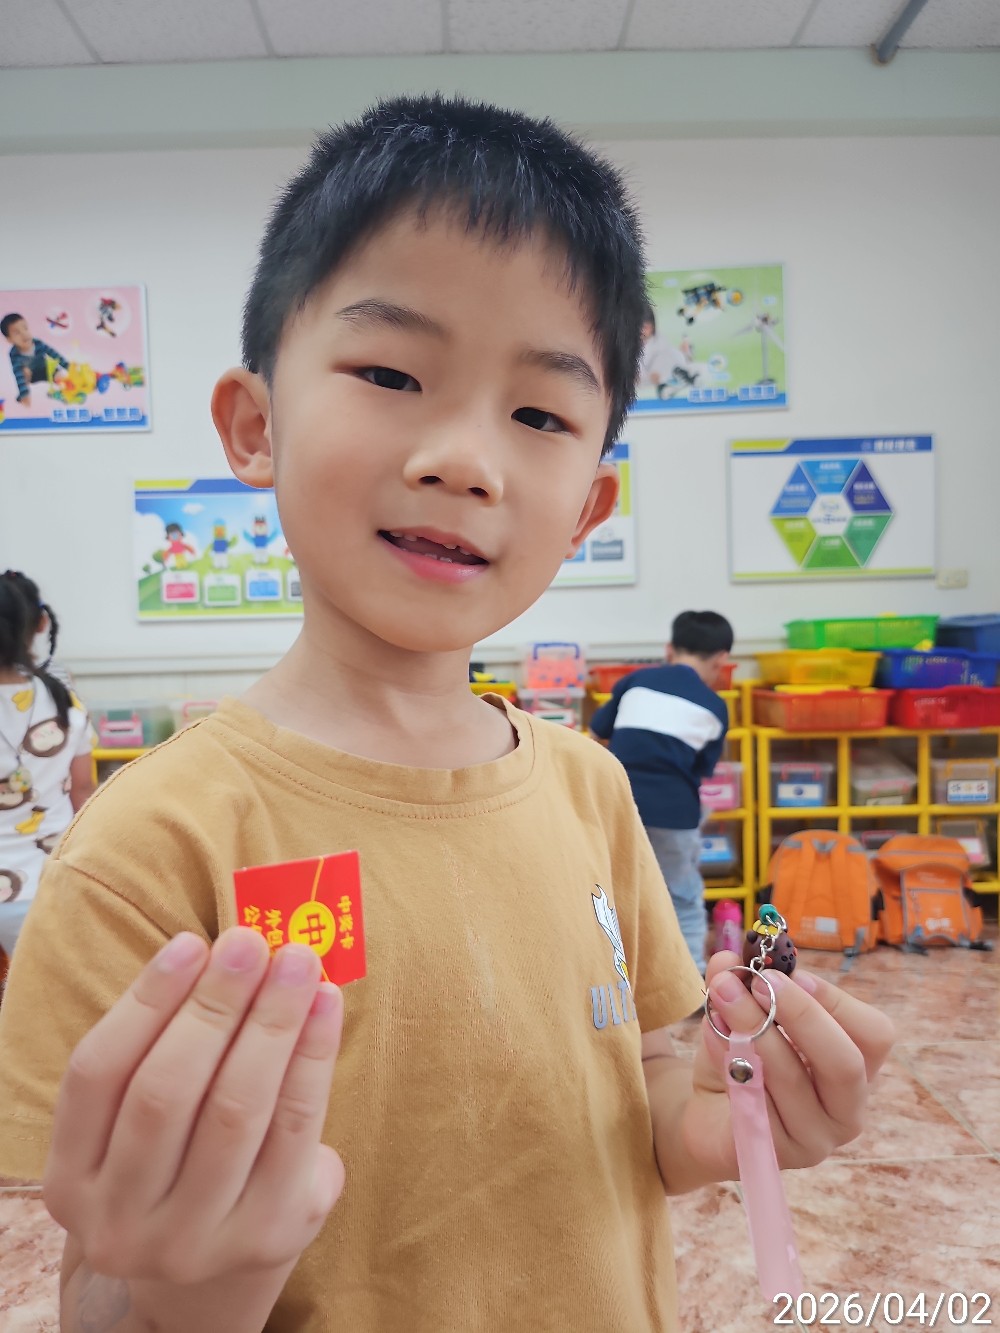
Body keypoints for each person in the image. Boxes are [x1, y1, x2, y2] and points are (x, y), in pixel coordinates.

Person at [0, 96, 894, 1333]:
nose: (465, 459)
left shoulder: (588, 788)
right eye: (390, 373)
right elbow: (102, 1282)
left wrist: (727, 1115)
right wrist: (187, 1284)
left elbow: (642, 1094)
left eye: (540, 414)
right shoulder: (151, 846)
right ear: (256, 425)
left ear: (585, 510)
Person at [590, 611, 733, 976]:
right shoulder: (714, 706)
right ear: (721, 659)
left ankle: (613, 972)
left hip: (618, 806)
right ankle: (691, 977)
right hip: (674, 813)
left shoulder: (636, 681)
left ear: (669, 649)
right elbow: (701, 771)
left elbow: (598, 732)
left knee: (613, 892)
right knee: (682, 894)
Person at [0, 571, 94, 958]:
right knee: (36, 992)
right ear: (40, 624)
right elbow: (83, 792)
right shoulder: (63, 702)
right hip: (46, 883)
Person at [1, 312, 69, 406]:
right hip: (31, 375)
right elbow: (18, 374)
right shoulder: (14, 355)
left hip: (45, 369)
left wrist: (68, 366)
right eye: (17, 333)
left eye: (25, 328)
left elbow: (54, 355)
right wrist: (24, 394)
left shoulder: (38, 343)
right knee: (24, 371)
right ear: (9, 339)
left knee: (59, 374)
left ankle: (61, 394)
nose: (24, 334)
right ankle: (24, 395)